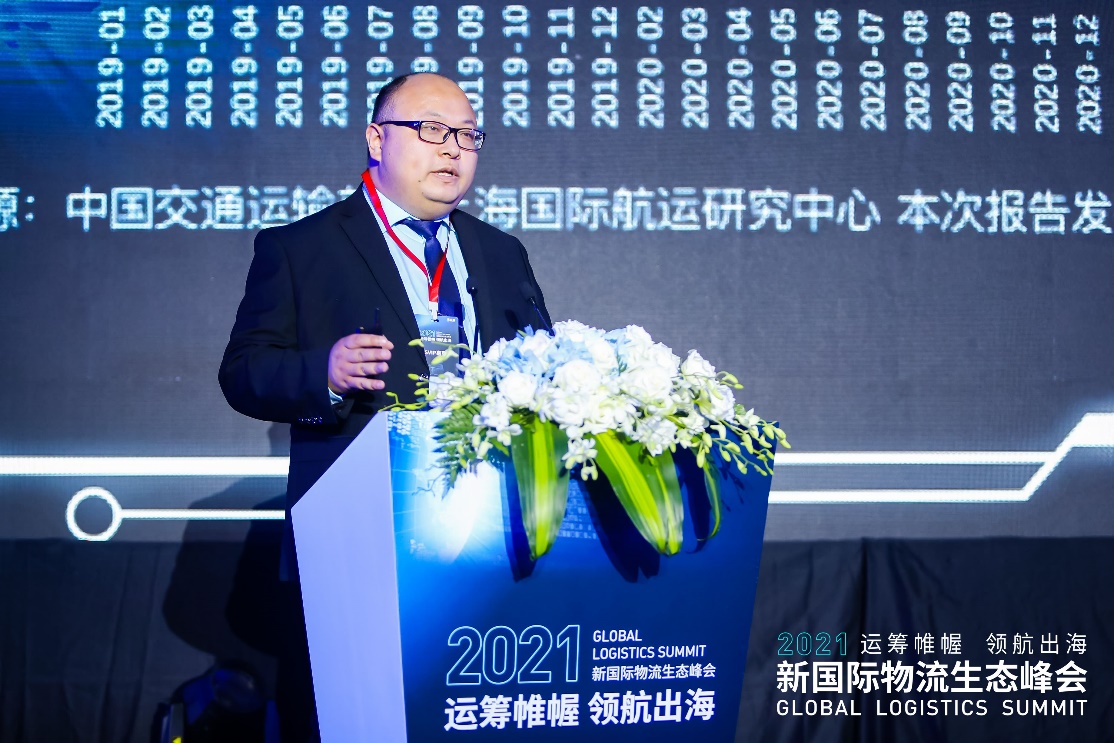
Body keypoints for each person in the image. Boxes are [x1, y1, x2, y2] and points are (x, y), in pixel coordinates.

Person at [218, 72, 550, 740]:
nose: (452, 148)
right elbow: (243, 371)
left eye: (467, 135)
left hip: (486, 537)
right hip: (359, 543)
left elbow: (543, 363)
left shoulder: (500, 252)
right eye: (431, 129)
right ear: (376, 139)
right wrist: (324, 372)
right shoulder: (301, 247)